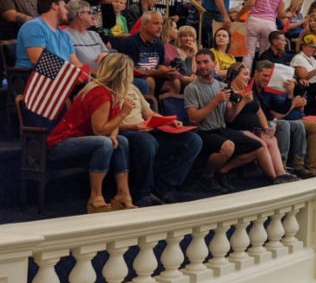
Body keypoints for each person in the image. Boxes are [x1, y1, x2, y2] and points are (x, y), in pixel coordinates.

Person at [45, 53, 137, 213]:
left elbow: (111, 124)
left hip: (84, 140)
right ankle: (95, 197)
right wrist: (123, 114)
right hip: (63, 143)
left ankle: (123, 194)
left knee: (121, 141)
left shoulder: (113, 92)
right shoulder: (100, 93)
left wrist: (114, 134)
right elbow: (100, 130)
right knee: (104, 142)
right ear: (122, 73)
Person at [112, 54, 203, 205]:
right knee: (147, 142)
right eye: (128, 70)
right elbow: (108, 124)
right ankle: (143, 193)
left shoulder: (133, 88)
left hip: (145, 127)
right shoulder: (107, 90)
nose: (131, 74)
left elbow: (148, 113)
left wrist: (168, 121)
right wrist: (134, 127)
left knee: (193, 140)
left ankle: (165, 184)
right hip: (126, 131)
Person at [183, 49, 276, 191]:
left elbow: (229, 117)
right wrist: (215, 101)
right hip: (203, 132)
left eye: (205, 62)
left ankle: (223, 171)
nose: (202, 66)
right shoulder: (191, 88)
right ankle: (207, 176)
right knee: (228, 146)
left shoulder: (221, 86)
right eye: (199, 63)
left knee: (259, 146)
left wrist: (241, 102)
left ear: (214, 64)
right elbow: (193, 118)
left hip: (222, 129)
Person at [224, 64, 299, 183]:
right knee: (262, 144)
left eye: (248, 74)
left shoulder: (246, 91)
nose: (248, 78)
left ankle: (281, 173)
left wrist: (265, 128)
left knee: (271, 140)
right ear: (234, 76)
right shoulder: (228, 92)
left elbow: (259, 112)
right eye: (245, 74)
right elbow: (229, 118)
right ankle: (273, 178)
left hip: (254, 130)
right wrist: (243, 101)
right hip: (237, 130)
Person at [15, 0, 85, 70]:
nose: (67, 11)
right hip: (34, 78)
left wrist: (86, 75)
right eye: (65, 7)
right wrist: (68, 73)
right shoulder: (34, 26)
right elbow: (38, 59)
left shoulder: (64, 35)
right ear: (54, 6)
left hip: (61, 77)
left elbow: (74, 62)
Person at [241, 0, 288, 68]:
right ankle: (262, 76)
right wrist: (288, 14)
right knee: (264, 53)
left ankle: (245, 77)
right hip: (269, 24)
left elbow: (251, 3)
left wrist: (239, 14)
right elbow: (280, 14)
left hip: (254, 21)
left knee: (249, 53)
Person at [65, 0, 111, 71]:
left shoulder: (94, 34)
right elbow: (73, 65)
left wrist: (105, 54)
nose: (92, 16)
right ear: (80, 15)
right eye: (89, 13)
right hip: (87, 79)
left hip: (104, 75)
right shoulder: (64, 36)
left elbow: (106, 53)